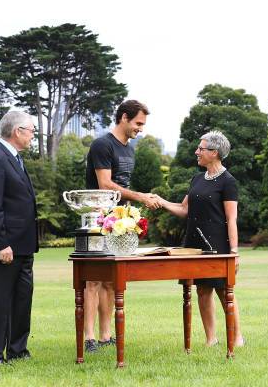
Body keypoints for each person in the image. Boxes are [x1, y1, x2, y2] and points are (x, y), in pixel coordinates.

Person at [83, 99, 161, 352]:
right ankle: (89, 337)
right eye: (138, 123)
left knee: (109, 280)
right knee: (92, 280)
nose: (141, 128)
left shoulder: (129, 148)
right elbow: (105, 184)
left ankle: (106, 336)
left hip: (120, 218)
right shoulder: (102, 145)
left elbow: (122, 185)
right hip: (97, 218)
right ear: (124, 117)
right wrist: (140, 196)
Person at [157, 131, 244, 347]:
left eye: (201, 148)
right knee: (202, 290)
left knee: (224, 292)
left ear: (214, 153)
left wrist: (234, 252)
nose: (197, 152)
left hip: (218, 245)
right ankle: (210, 339)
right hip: (194, 245)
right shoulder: (197, 178)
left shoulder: (228, 182)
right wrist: (161, 201)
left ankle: (237, 337)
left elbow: (231, 219)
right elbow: (184, 209)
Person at [0, 111, 39, 364]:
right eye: (31, 130)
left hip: (24, 246)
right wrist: (1, 244)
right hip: (5, 247)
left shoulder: (14, 158)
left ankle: (18, 351)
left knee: (22, 300)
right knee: (0, 301)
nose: (33, 135)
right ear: (17, 131)